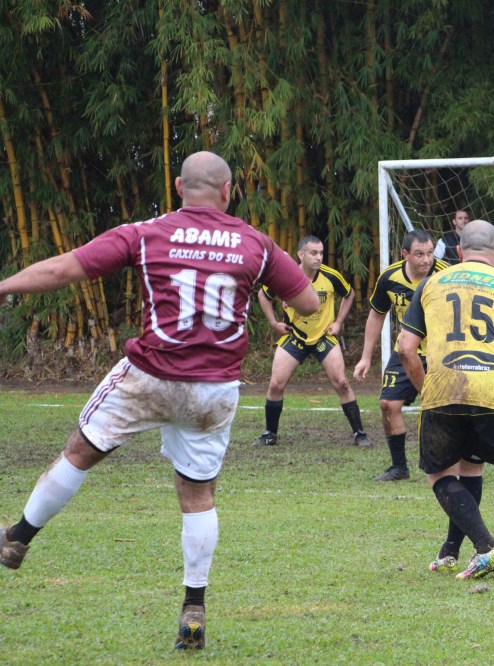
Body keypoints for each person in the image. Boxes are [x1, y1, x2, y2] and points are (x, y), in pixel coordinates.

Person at [0, 151, 318, 651]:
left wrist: (4, 288)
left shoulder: (146, 233)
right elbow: (308, 303)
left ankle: (18, 535)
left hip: (150, 375)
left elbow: (66, 270)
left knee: (80, 452)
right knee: (198, 496)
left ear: (177, 186)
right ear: (228, 191)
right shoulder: (254, 244)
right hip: (212, 390)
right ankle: (194, 605)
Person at [398, 219, 494, 580]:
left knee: (437, 473)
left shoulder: (431, 283)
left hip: (445, 386)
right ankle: (450, 551)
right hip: (491, 393)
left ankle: (487, 548)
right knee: (470, 469)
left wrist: (425, 386)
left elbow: (406, 347)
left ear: (458, 252)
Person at [254, 235, 369, 448]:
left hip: (323, 337)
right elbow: (263, 295)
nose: (319, 258)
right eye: (313, 253)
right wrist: (273, 323)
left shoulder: (331, 276)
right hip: (295, 336)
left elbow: (350, 294)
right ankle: (269, 434)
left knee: (342, 383)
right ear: (300, 255)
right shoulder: (287, 274)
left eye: (321, 253)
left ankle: (359, 433)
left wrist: (339, 322)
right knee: (276, 384)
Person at [352, 229, 447, 481]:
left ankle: (450, 463)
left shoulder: (446, 274)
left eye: (429, 253)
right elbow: (376, 315)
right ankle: (399, 467)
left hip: (442, 353)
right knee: (388, 404)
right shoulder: (390, 277)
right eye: (419, 254)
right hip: (406, 351)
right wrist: (365, 357)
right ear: (405, 254)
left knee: (446, 408)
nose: (426, 260)